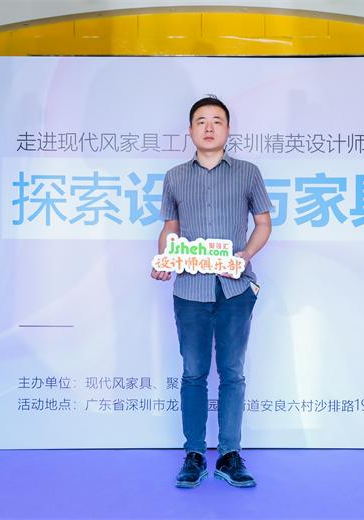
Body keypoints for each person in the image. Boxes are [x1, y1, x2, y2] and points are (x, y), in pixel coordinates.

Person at [151, 95, 273, 488]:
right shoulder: (174, 177)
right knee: (193, 372)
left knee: (233, 372)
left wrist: (245, 255)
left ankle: (230, 455)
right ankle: (194, 455)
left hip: (235, 288)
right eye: (201, 121)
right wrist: (164, 258)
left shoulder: (248, 173)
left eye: (217, 120)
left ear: (228, 129)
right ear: (190, 130)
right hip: (190, 288)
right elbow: (170, 228)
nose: (209, 127)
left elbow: (263, 223)